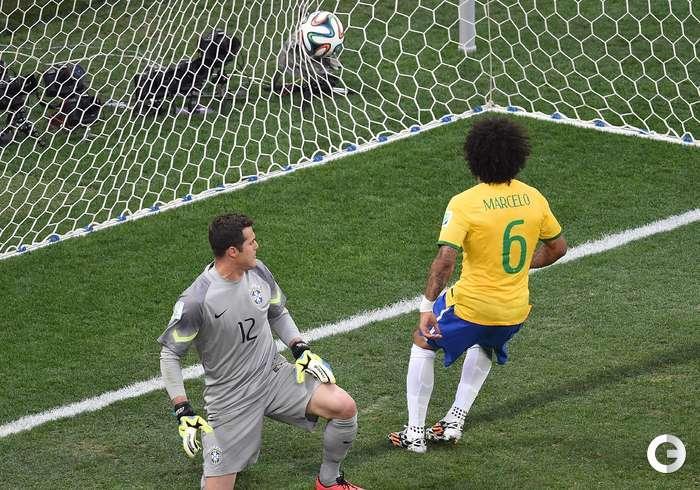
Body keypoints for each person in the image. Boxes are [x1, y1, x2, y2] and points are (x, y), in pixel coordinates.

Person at [388, 117, 568, 453]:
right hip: (514, 311)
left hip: (472, 305)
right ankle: (454, 422)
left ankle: (414, 433)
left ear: (474, 158)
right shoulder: (534, 198)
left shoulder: (465, 203)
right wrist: (524, 264)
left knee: (422, 342)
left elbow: (445, 261)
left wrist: (426, 307)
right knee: (485, 341)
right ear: (518, 157)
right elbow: (558, 248)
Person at [158, 213, 363, 489]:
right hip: (231, 398)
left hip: (272, 375)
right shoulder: (197, 300)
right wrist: (182, 409)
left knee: (344, 407)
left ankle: (329, 481)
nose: (257, 246)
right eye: (251, 242)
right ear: (233, 251)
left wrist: (299, 348)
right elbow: (170, 354)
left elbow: (277, 312)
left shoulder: (258, 271)